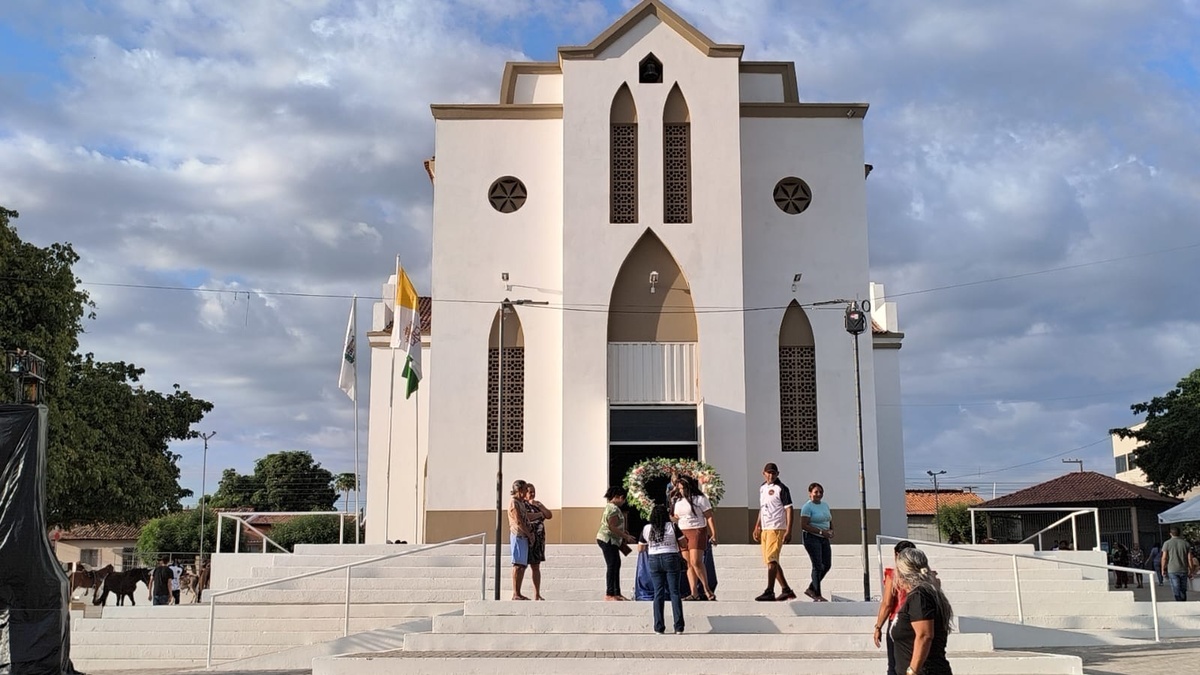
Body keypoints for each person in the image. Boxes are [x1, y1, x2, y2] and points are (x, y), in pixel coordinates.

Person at [891, 547, 955, 675]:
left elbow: (924, 635)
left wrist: (912, 671)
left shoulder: (920, 596)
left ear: (901, 572)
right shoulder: (924, 594)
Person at [639, 502, 687, 634]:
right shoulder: (672, 526)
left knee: (658, 593)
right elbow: (683, 544)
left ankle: (659, 627)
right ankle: (679, 627)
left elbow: (641, 548)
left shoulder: (647, 528)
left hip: (654, 559)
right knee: (674, 592)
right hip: (671, 557)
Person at [752, 463, 796, 601]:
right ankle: (786, 589)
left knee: (772, 559)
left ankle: (770, 590)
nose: (771, 476)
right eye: (768, 473)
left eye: (773, 473)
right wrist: (757, 525)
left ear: (777, 474)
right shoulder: (762, 488)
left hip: (776, 527)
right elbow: (763, 507)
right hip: (765, 528)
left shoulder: (781, 488)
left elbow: (789, 509)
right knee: (771, 561)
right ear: (764, 473)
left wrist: (788, 530)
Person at [671, 476, 717, 601]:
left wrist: (714, 534)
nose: (680, 491)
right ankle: (694, 592)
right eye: (679, 489)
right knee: (688, 564)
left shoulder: (700, 499)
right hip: (683, 531)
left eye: (682, 488)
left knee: (696, 561)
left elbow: (709, 517)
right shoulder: (678, 502)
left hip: (697, 530)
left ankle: (707, 589)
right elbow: (676, 517)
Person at [874, 540, 916, 675]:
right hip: (918, 620)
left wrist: (878, 627)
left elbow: (887, 604)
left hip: (898, 620)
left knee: (894, 665)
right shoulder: (923, 574)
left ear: (897, 555)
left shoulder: (894, 575)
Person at [596, 486, 638, 601]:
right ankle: (610, 593)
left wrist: (623, 532)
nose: (623, 501)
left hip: (612, 540)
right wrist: (626, 537)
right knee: (612, 565)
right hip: (608, 539)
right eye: (623, 498)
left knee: (616, 564)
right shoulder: (613, 509)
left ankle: (616, 592)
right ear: (618, 497)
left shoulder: (610, 507)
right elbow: (612, 526)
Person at [800, 481, 833, 601]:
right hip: (812, 537)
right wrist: (820, 532)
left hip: (824, 538)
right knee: (817, 565)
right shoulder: (807, 507)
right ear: (810, 494)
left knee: (827, 564)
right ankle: (817, 594)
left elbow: (828, 519)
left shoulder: (825, 505)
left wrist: (830, 530)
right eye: (815, 492)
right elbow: (804, 525)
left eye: (820, 492)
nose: (818, 494)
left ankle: (811, 588)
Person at [522, 482, 553, 601]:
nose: (533, 494)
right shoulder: (522, 504)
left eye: (534, 491)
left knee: (536, 566)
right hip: (527, 538)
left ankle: (537, 594)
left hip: (539, 539)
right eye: (530, 492)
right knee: (522, 565)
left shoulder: (538, 504)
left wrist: (540, 508)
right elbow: (526, 517)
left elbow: (549, 515)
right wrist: (539, 515)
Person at [508, 479, 533, 600]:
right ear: (518, 490)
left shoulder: (521, 503)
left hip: (523, 536)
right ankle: (515, 592)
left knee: (522, 565)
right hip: (518, 535)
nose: (526, 492)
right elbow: (519, 521)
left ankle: (518, 592)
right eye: (524, 489)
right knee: (518, 565)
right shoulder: (514, 503)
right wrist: (529, 534)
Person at [1161, 527, 1191, 602]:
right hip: (1184, 569)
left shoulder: (1167, 543)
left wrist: (1163, 569)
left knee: (1176, 588)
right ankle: (1183, 602)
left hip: (1172, 569)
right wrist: (1191, 569)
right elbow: (1189, 558)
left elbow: (1164, 558)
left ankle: (1178, 602)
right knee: (1183, 589)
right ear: (1179, 533)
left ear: (1170, 534)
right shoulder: (1186, 543)